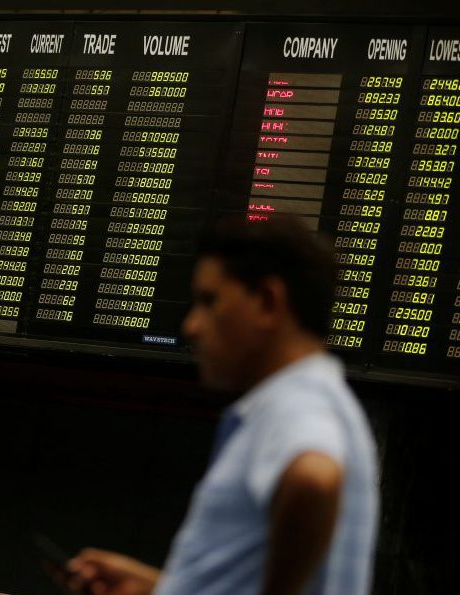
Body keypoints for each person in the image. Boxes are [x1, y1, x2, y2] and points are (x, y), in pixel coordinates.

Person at [68, 216, 378, 595]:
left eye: (209, 301)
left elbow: (315, 479)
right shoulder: (322, 400)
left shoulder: (296, 403)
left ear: (267, 302)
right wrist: (161, 588)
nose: (192, 326)